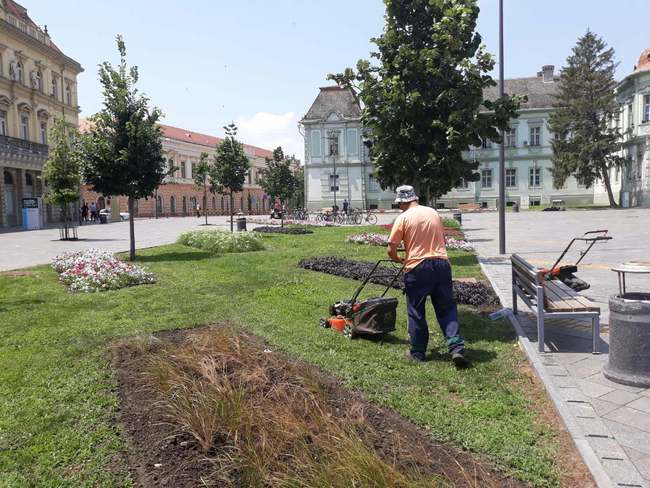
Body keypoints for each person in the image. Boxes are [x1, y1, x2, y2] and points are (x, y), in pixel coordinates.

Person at [387, 185, 468, 368]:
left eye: (399, 203)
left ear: (403, 201)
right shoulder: (432, 212)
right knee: (446, 308)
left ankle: (417, 352)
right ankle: (456, 348)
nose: (399, 207)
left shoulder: (404, 217)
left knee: (416, 310)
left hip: (417, 267)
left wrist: (399, 259)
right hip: (441, 264)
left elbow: (391, 247)